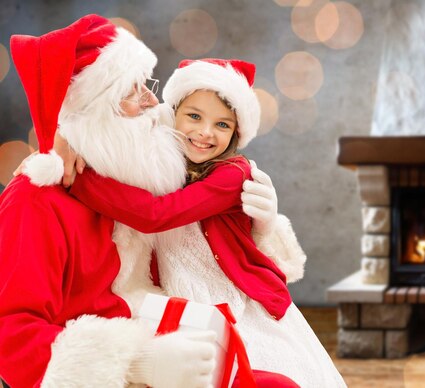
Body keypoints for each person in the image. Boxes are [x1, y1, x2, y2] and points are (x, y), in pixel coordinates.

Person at [0, 14, 296, 387]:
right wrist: (136, 364)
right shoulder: (35, 199)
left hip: (163, 333)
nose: (152, 101)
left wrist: (265, 228)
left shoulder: (128, 182)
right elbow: (10, 338)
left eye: (147, 84)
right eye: (131, 90)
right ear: (95, 108)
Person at [68, 58, 347, 387]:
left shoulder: (233, 174)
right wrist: (77, 147)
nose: (205, 133)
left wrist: (79, 179)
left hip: (236, 302)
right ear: (173, 114)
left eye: (222, 125)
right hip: (182, 301)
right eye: (194, 116)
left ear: (236, 134)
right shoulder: (163, 165)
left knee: (257, 371)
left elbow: (157, 215)